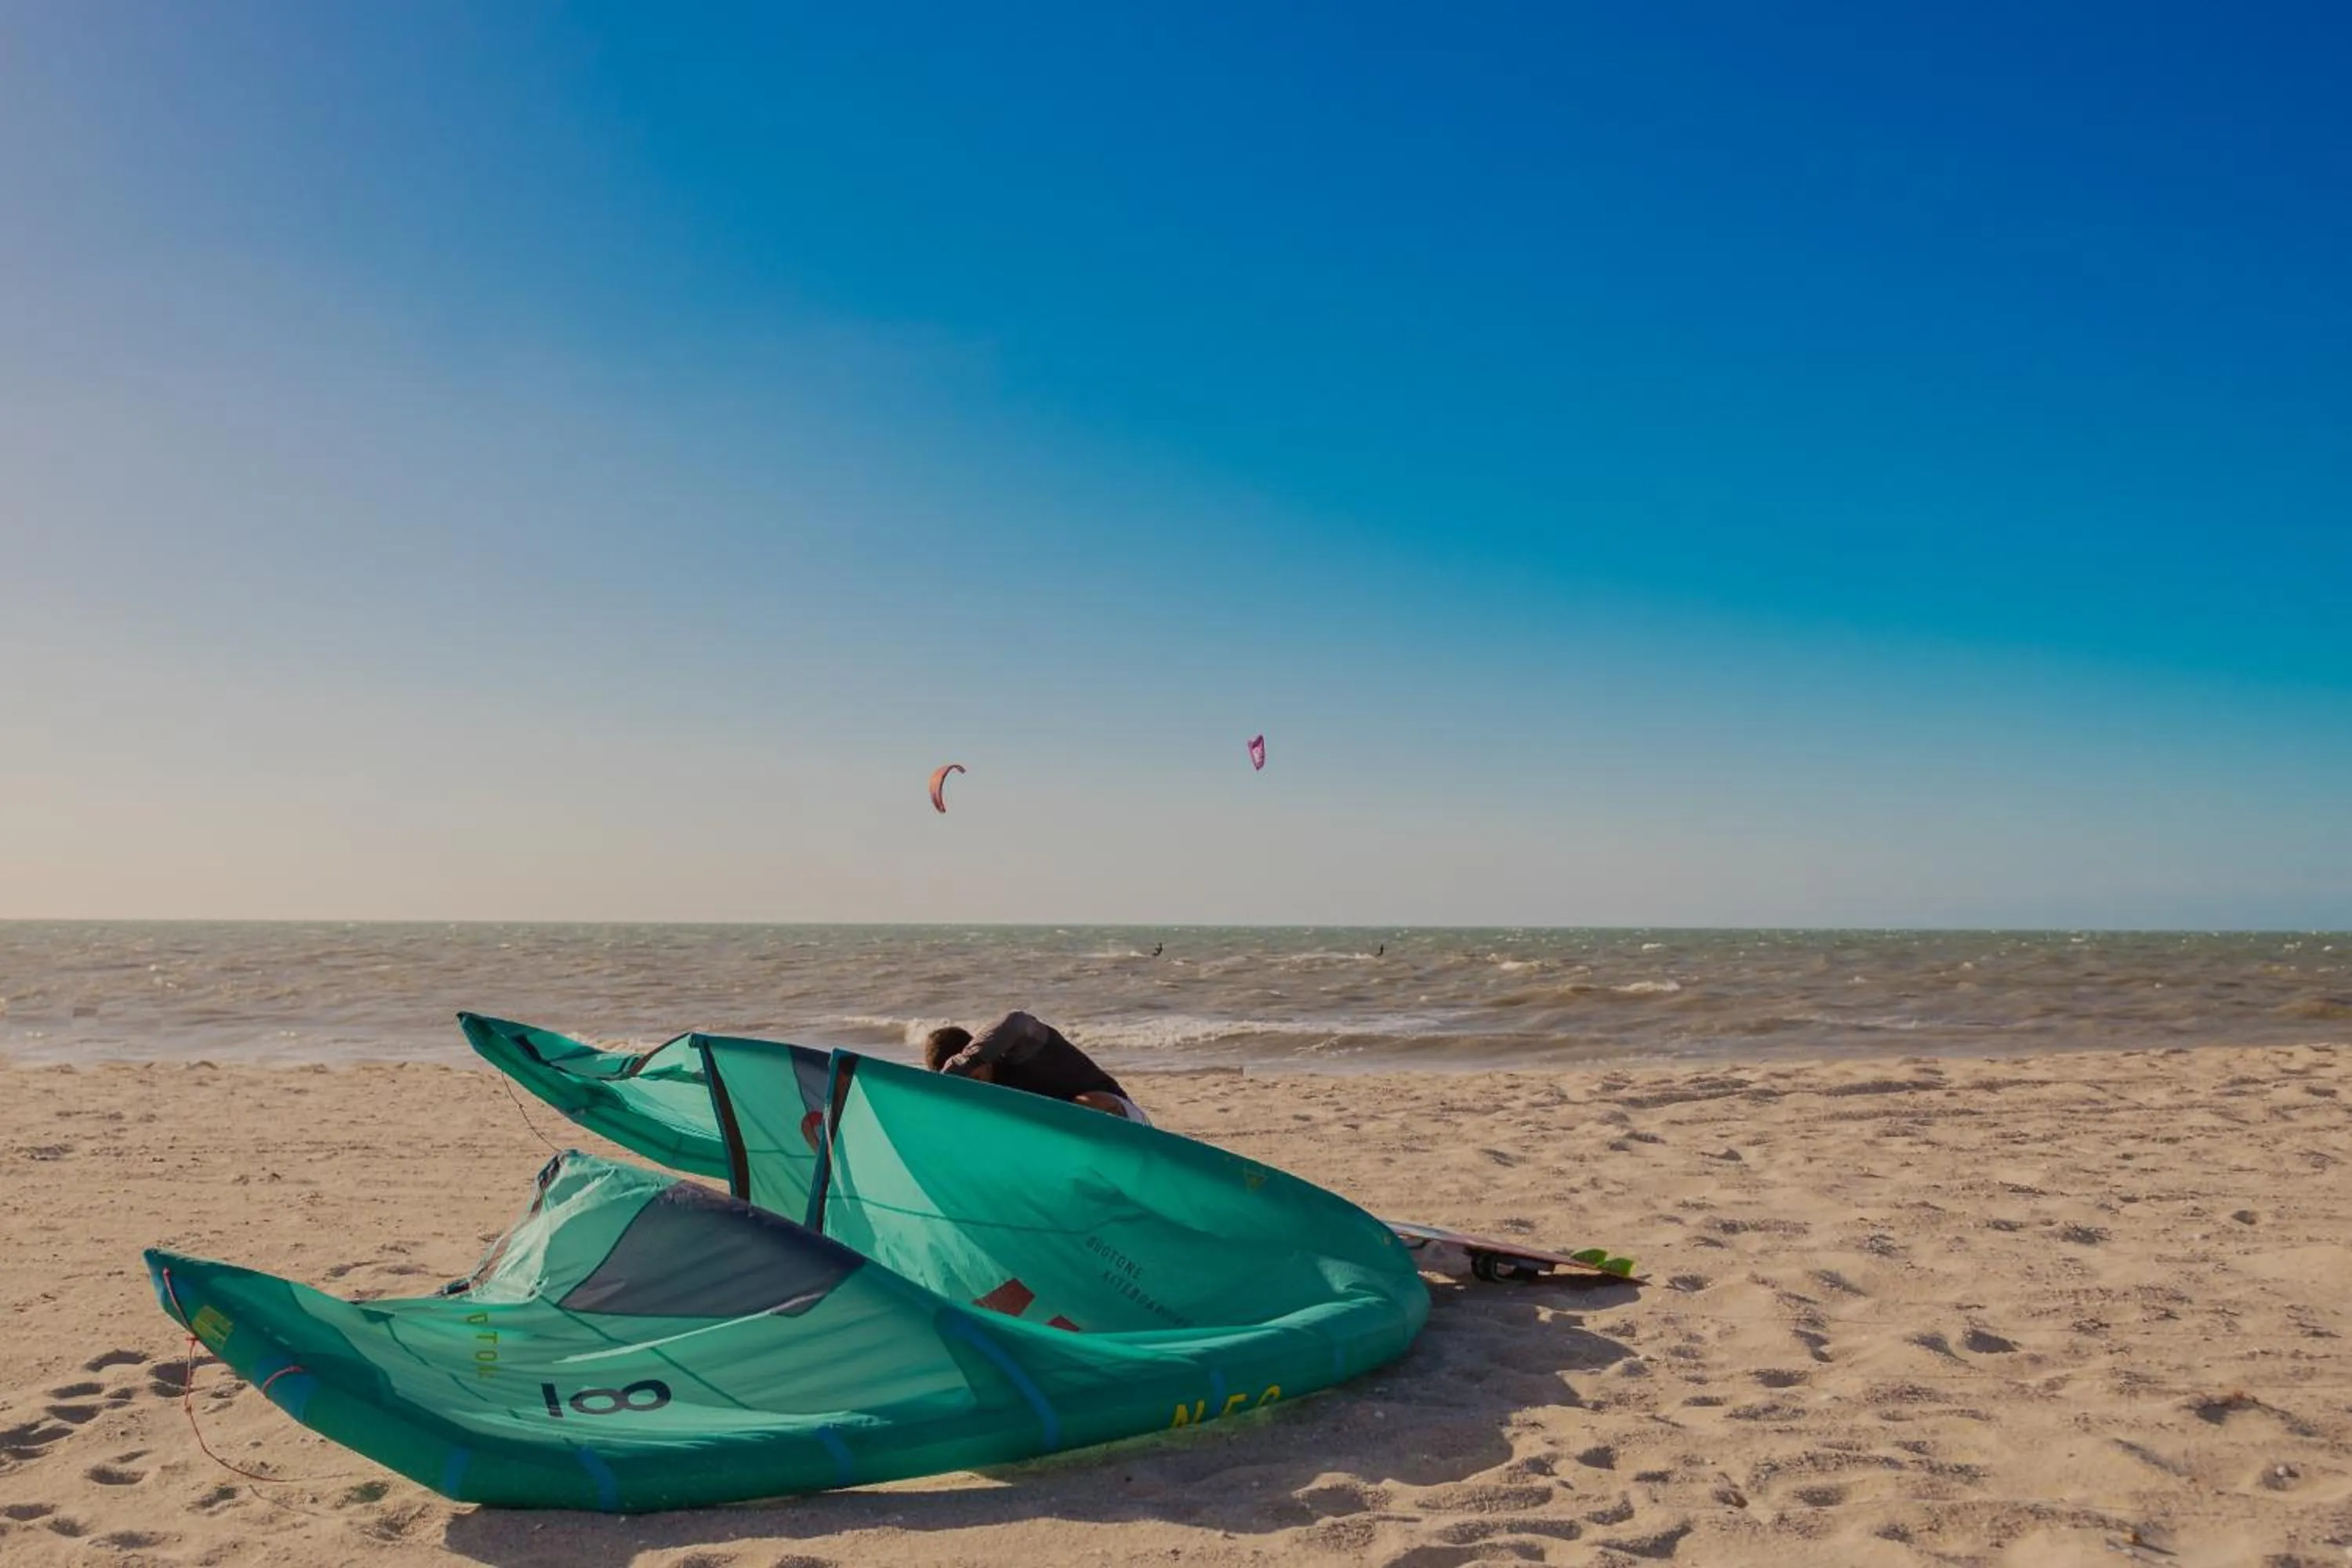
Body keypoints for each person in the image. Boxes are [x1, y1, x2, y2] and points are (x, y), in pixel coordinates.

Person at [925, 1011, 1151, 1126]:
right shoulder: (973, 1100)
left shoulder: (1022, 1051)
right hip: (1065, 1156)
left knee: (1085, 1104)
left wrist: (965, 1063)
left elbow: (1015, 1022)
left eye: (973, 1077)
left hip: (1123, 1121)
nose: (974, 1088)